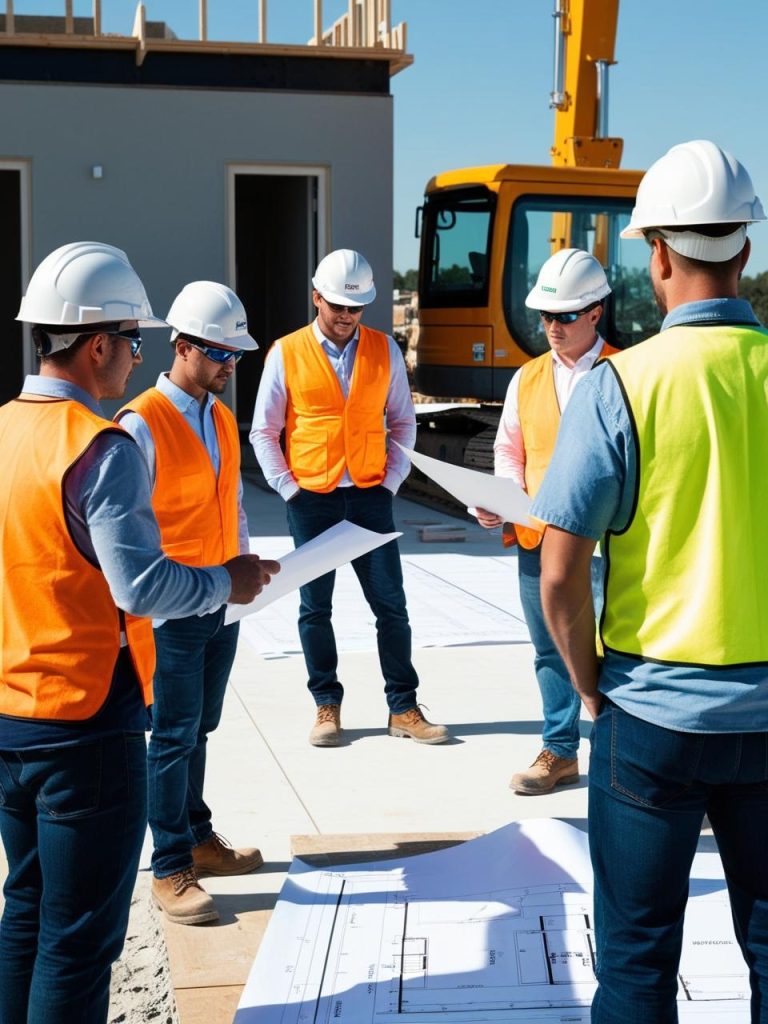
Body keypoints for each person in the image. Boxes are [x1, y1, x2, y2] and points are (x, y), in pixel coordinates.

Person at [0, 242, 278, 1024]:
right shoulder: (101, 446)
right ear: (97, 345)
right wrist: (226, 583)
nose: (134, 356)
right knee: (78, 941)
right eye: (131, 340)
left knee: (27, 910)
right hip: (84, 725)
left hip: (12, 712)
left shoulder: (6, 431)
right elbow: (143, 586)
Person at [532, 140, 768, 1021]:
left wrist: (590, 686)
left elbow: (561, 574)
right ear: (746, 249)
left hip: (650, 715)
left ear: (657, 255)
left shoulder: (617, 387)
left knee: (636, 965)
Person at [250, 248, 448, 747]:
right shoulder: (286, 352)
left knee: (391, 607)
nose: (345, 315)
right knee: (315, 609)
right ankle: (326, 705)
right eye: (337, 304)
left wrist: (390, 482)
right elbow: (263, 431)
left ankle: (403, 708)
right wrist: (289, 489)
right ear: (316, 297)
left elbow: (403, 422)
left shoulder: (385, 350)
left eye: (355, 307)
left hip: (369, 497)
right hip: (311, 499)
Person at [117, 281, 262, 926]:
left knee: (199, 728)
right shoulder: (139, 423)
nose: (230, 364)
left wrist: (247, 570)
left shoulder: (223, 417)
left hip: (222, 604)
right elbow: (128, 532)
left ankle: (197, 836)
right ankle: (170, 865)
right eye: (219, 353)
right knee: (171, 737)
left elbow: (232, 505)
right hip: (170, 612)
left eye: (236, 354)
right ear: (181, 347)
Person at [476, 248, 616, 794]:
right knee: (549, 649)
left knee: (613, 650)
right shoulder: (527, 378)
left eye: (565, 316)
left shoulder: (625, 372)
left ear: (595, 312)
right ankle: (560, 750)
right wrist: (502, 496)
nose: (553, 327)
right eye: (545, 316)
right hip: (537, 540)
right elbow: (509, 448)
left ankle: (617, 754)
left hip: (606, 546)